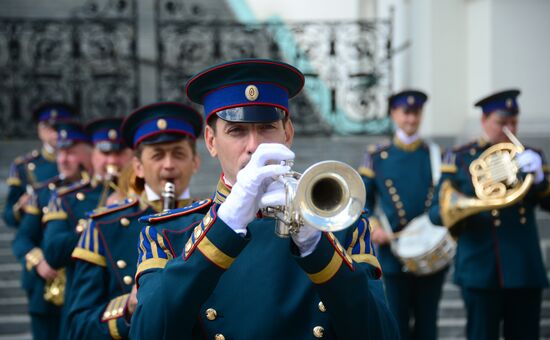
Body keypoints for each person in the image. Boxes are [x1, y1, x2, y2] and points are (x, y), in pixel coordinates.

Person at [130, 59, 399, 339]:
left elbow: (382, 333)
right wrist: (225, 226)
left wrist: (315, 246)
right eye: (237, 131)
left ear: (288, 133)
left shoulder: (342, 225)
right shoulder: (166, 232)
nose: (254, 146)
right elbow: (147, 332)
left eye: (267, 127)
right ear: (210, 141)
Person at [68, 102, 202, 339]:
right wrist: (127, 308)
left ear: (195, 162)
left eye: (179, 154)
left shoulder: (216, 220)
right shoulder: (103, 226)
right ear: (138, 166)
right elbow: (78, 326)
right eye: (157, 155)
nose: (169, 165)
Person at [429, 89, 550, 340]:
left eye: (514, 121)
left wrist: (540, 179)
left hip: (523, 267)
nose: (509, 129)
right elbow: (436, 214)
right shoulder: (460, 157)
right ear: (484, 121)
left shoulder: (531, 156)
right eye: (501, 122)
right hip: (480, 268)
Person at [359, 90, 447, 340]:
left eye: (416, 113)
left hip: (430, 254)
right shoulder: (377, 156)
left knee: (427, 325)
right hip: (394, 253)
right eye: (406, 113)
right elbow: (361, 198)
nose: (411, 119)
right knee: (396, 323)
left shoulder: (435, 155)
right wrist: (374, 226)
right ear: (393, 114)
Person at [40, 117, 133, 340]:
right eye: (105, 153)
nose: (112, 161)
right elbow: (53, 252)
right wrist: (103, 222)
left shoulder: (145, 199)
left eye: (119, 153)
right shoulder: (66, 198)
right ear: (93, 155)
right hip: (90, 307)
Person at [11, 120, 93, 340]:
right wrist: (39, 261)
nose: (63, 159)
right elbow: (23, 239)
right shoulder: (43, 194)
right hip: (47, 291)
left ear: (88, 154)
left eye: (71, 153)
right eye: (60, 153)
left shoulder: (101, 194)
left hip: (84, 289)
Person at [3, 102, 76, 228]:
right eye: (49, 127)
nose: (56, 133)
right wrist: (21, 207)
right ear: (39, 130)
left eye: (61, 127)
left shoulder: (83, 161)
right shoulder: (24, 166)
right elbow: (8, 215)